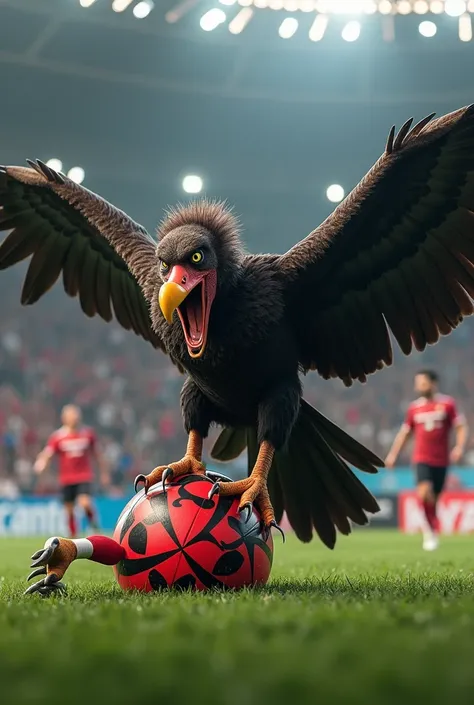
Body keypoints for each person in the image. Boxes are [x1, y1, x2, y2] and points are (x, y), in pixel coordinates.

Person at [385, 370, 468, 551]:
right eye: (417, 383)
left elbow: (461, 426)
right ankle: (430, 532)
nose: (418, 387)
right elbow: (405, 434)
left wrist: (459, 447)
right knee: (423, 493)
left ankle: (432, 529)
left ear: (433, 383)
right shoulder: (414, 408)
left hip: (442, 460)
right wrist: (393, 455)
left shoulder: (447, 404)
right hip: (421, 458)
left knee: (435, 499)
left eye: (422, 383)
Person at [34, 405, 109, 538]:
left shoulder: (87, 434)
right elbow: (48, 453)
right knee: (69, 510)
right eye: (71, 415)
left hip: (83, 476)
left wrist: (104, 473)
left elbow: (98, 455)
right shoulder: (58, 437)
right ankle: (73, 536)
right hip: (66, 479)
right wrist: (41, 463)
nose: (75, 417)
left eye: (76, 414)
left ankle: (94, 526)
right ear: (64, 418)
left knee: (85, 503)